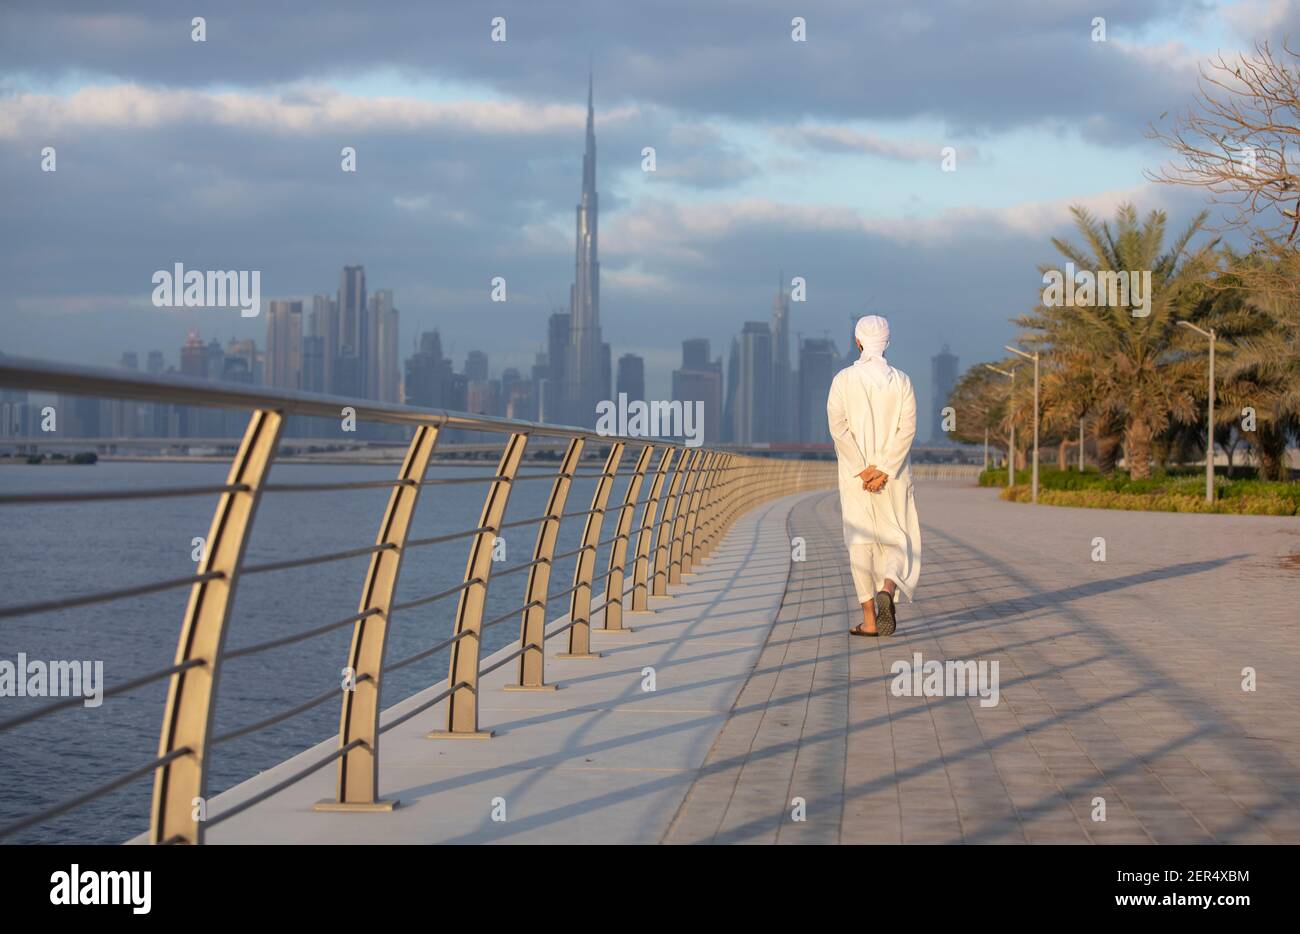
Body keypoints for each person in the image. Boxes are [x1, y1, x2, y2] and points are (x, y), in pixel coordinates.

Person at [826, 315, 921, 637]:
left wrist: (863, 469)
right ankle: (888, 586)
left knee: (860, 544)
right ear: (887, 342)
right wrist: (885, 468)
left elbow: (838, 428)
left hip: (856, 479)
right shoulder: (903, 381)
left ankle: (869, 620)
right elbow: (907, 430)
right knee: (897, 536)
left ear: (857, 342)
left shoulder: (843, 379)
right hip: (893, 477)